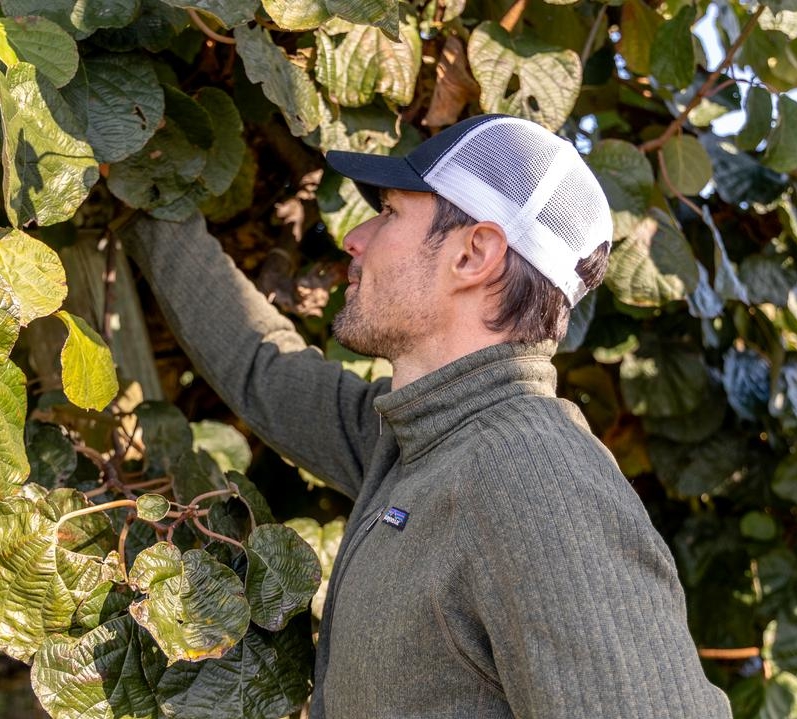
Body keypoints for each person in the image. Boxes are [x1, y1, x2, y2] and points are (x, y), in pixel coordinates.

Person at [119, 113, 732, 718]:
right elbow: (261, 366)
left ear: (474, 255)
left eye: (389, 214)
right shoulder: (420, 439)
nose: (354, 238)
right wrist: (137, 178)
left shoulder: (537, 478)